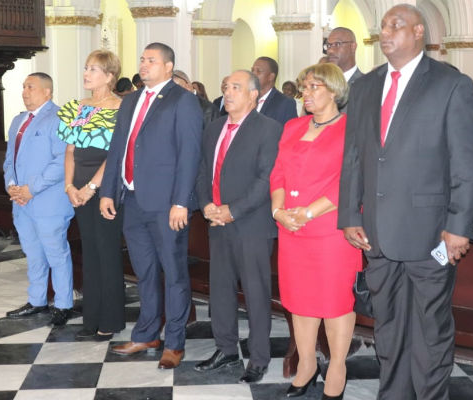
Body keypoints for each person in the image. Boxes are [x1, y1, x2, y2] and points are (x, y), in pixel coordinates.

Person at [338, 4, 473, 399]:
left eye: (396, 25)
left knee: (430, 329)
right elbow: (354, 156)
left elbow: (466, 163)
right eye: (383, 26)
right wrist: (350, 214)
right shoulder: (365, 87)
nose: (386, 32)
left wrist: (458, 226)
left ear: (419, 32)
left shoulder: (450, 84)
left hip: (429, 233)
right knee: (388, 326)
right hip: (378, 233)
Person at [99, 42, 202, 369]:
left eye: (151, 61)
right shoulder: (129, 101)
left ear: (168, 67)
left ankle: (174, 341)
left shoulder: (183, 101)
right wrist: (107, 191)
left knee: (173, 274)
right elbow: (118, 149)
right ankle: (146, 333)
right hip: (132, 200)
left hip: (166, 205)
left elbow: (190, 156)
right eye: (141, 60)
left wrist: (180, 202)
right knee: (143, 273)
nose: (143, 65)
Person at [271, 63, 361, 400]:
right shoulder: (292, 127)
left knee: (334, 302)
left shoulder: (351, 129)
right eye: (303, 87)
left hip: (330, 231)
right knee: (299, 301)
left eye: (314, 87)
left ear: (335, 91)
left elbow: (350, 181)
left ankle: (337, 368)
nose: (305, 94)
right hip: (291, 228)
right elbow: (277, 172)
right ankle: (307, 364)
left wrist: (308, 212)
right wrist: (278, 211)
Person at [195, 70, 282, 383]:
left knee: (256, 294)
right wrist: (206, 205)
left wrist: (234, 210)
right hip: (216, 221)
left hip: (251, 225)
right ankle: (226, 349)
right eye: (225, 87)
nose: (227, 92)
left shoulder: (269, 129)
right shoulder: (214, 127)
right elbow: (204, 170)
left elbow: (266, 179)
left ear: (253, 94)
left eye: (235, 87)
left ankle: (258, 358)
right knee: (220, 291)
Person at [57, 50, 125, 341]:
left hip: (105, 187)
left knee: (107, 252)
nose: (86, 73)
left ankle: (110, 319)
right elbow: (70, 151)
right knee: (91, 252)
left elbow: (115, 156)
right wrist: (70, 186)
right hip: (78, 189)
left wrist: (91, 188)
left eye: (94, 69)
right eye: (86, 68)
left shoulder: (122, 108)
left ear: (110, 76)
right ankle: (91, 317)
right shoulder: (74, 106)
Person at [3, 73, 75, 326]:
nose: (24, 92)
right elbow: (9, 159)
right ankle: (37, 300)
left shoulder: (59, 118)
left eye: (30, 87)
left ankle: (64, 303)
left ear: (47, 92)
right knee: (33, 253)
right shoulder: (18, 120)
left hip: (48, 201)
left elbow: (61, 161)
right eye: (23, 87)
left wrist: (31, 189)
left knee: (56, 253)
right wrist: (12, 186)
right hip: (21, 202)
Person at [251, 56, 298, 124]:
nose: (253, 74)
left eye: (258, 71)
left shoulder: (285, 103)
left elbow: (290, 132)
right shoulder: (247, 99)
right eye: (252, 70)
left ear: (271, 77)